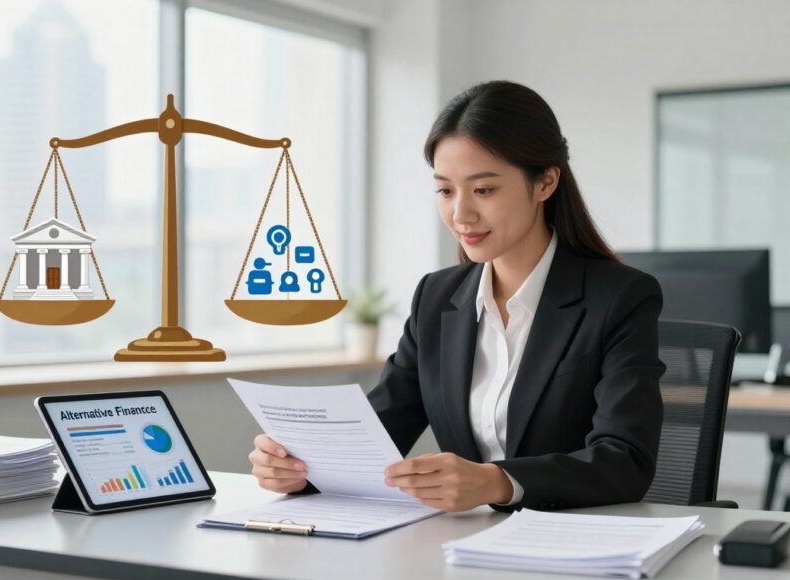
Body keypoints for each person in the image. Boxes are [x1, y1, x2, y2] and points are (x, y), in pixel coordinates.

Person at [247, 80, 665, 512]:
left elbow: (625, 461)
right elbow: (376, 436)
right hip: (460, 545)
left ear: (545, 182)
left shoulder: (619, 297)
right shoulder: (436, 297)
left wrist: (496, 482)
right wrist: (300, 469)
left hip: (574, 546)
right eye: (446, 190)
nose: (460, 214)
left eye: (483, 190)